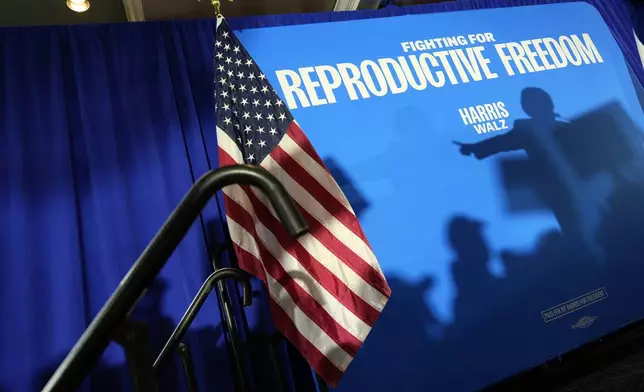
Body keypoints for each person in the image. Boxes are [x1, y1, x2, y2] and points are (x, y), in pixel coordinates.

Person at [454, 87, 609, 262]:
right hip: (560, 194)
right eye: (532, 104)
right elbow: (502, 142)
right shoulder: (527, 129)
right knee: (577, 233)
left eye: (542, 101)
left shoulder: (567, 126)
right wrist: (475, 148)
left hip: (589, 188)